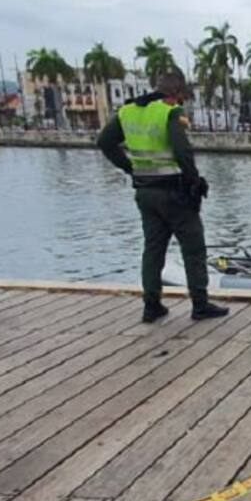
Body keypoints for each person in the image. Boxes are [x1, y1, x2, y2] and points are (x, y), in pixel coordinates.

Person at [97, 72, 227, 324]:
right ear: (176, 93)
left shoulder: (128, 111)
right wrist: (195, 181)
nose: (182, 101)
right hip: (174, 192)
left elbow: (104, 141)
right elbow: (182, 150)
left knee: (153, 249)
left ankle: (151, 305)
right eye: (182, 97)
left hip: (145, 191)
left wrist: (130, 168)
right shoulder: (170, 111)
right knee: (193, 248)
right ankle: (200, 304)